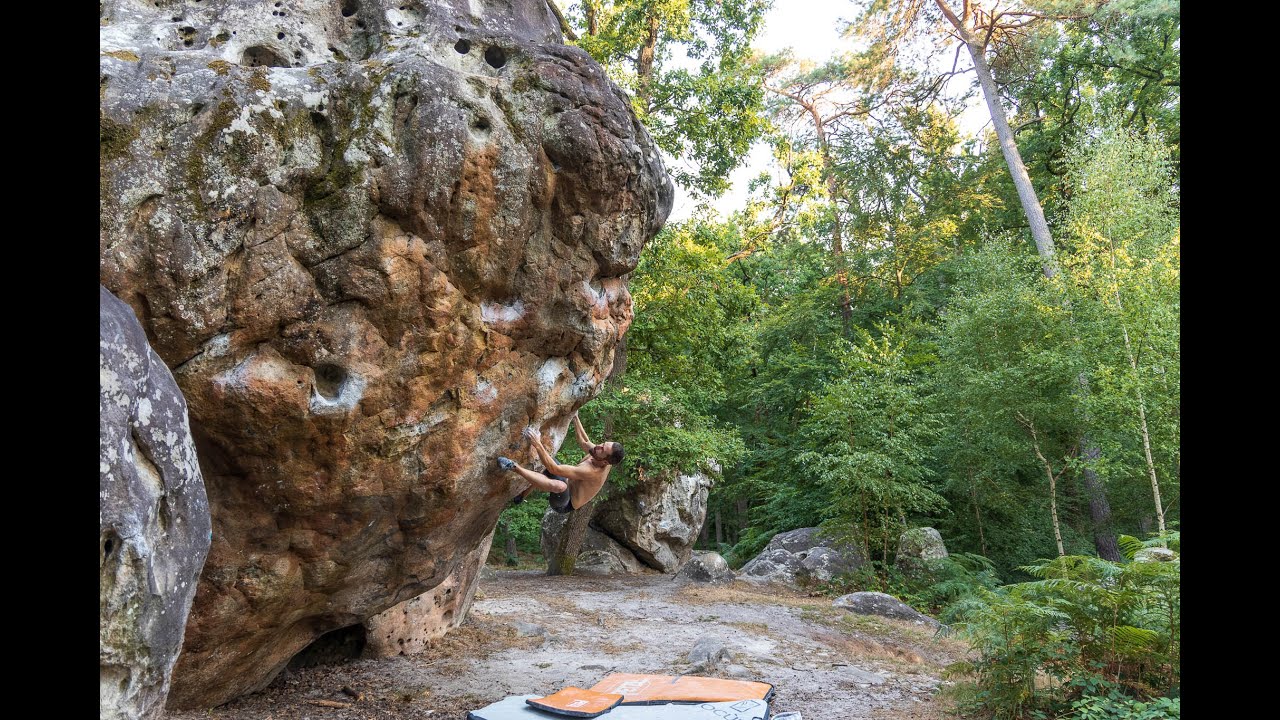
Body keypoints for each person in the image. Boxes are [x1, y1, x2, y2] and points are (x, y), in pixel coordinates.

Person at [498, 412, 624, 513]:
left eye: (602, 449)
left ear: (605, 462)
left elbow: (554, 469)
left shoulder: (591, 472)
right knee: (546, 458)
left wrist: (537, 443)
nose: (598, 446)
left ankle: (513, 467)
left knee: (560, 485)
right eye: (603, 444)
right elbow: (584, 441)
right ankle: (521, 496)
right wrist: (575, 417)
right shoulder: (599, 453)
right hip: (566, 481)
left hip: (565, 503)